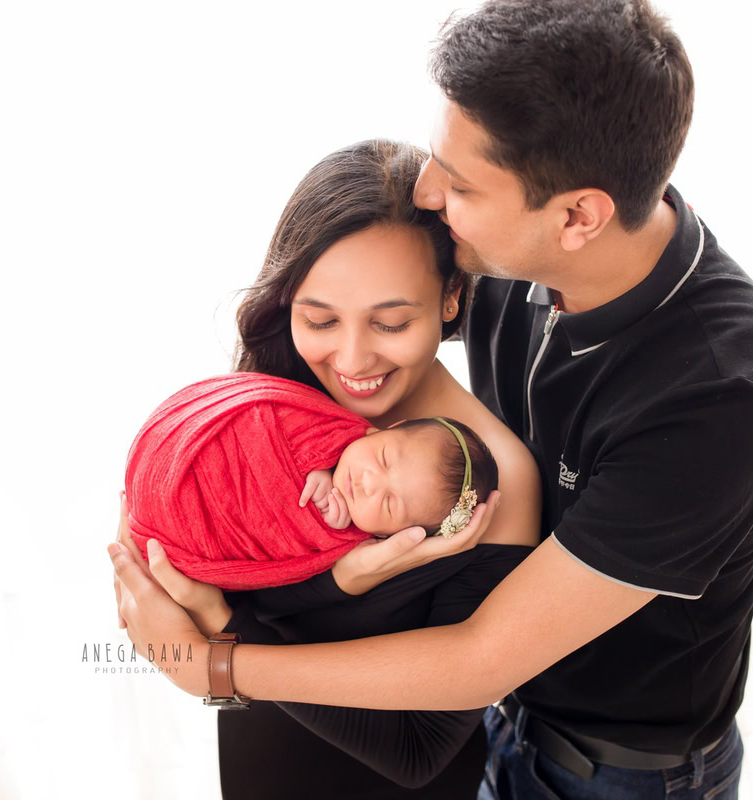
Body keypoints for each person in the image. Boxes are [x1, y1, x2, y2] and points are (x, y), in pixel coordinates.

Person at [110, 1, 753, 799]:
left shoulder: (723, 394)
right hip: (496, 721)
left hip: (617, 769)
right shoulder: (517, 260)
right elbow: (376, 301)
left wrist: (212, 661)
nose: (429, 190)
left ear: (579, 214)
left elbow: (481, 655)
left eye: (462, 182)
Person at [115, 138, 542, 799]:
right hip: (259, 762)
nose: (353, 359)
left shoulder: (488, 485)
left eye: (391, 322)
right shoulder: (272, 410)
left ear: (451, 297)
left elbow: (419, 750)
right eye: (318, 319)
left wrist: (221, 645)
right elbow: (164, 586)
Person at [123, 370, 498, 590]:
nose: (369, 482)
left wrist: (326, 523)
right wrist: (316, 464)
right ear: (384, 430)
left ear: (389, 535)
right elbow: (269, 417)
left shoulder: (345, 539)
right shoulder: (330, 425)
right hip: (181, 443)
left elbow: (287, 540)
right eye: (383, 458)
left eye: (388, 503)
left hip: (183, 533)